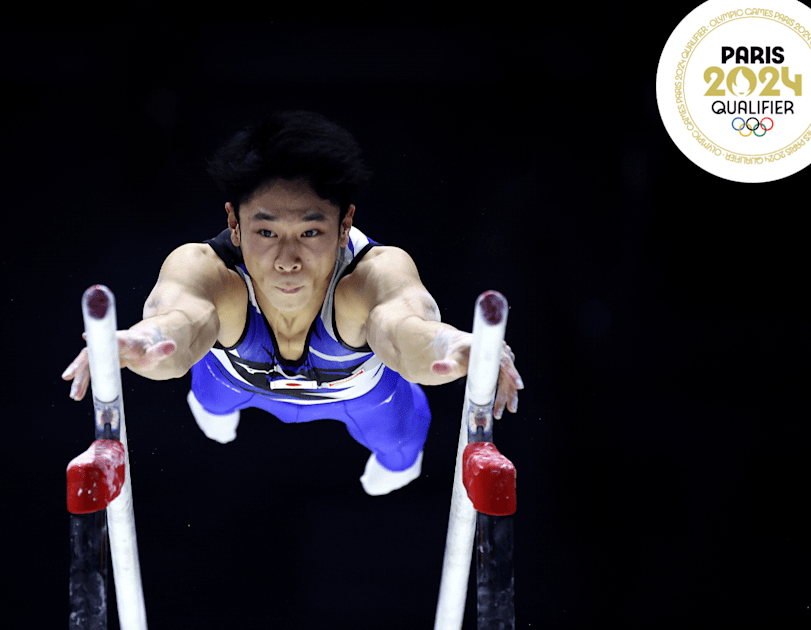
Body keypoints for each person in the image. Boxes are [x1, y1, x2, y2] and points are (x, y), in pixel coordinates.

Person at [61, 110, 523, 495]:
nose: (287, 260)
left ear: (344, 226)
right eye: (266, 232)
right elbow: (180, 325)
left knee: (402, 453)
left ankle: (396, 462)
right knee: (211, 395)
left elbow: (406, 334)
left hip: (362, 399)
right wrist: (142, 341)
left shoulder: (372, 275)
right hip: (232, 382)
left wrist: (457, 348)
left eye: (310, 232)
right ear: (234, 225)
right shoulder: (207, 270)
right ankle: (212, 406)